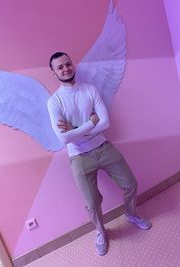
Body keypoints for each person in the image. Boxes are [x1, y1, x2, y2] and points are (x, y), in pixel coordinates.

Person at [47, 52, 152, 256]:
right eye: (60, 67)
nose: (66, 68)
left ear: (72, 65)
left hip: (103, 147)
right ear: (53, 72)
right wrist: (90, 123)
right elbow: (64, 139)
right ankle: (101, 232)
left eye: (68, 64)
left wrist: (74, 128)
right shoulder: (54, 102)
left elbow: (105, 123)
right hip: (79, 156)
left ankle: (131, 214)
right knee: (92, 203)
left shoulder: (89, 90)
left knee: (131, 184)